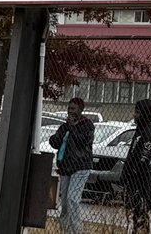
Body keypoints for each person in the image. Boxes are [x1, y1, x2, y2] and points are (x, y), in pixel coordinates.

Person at [48, 97, 95, 234]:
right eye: (69, 108)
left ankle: (77, 231)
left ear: (80, 110)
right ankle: (65, 230)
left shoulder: (87, 125)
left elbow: (83, 142)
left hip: (81, 167)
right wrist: (65, 129)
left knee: (72, 199)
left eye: (73, 109)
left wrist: (73, 127)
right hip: (66, 168)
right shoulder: (65, 126)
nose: (70, 111)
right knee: (65, 204)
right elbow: (54, 142)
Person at [120, 99, 151, 234]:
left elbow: (144, 158)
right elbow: (132, 154)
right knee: (134, 214)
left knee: (141, 213)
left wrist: (134, 173)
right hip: (132, 179)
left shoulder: (148, 133)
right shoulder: (139, 131)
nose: (134, 115)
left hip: (141, 180)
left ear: (144, 114)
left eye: (137, 112)